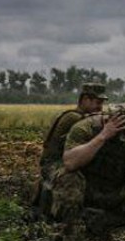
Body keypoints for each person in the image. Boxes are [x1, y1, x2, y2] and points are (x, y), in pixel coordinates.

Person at [56, 103, 125, 241]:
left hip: (114, 187)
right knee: (68, 178)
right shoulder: (85, 128)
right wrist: (102, 137)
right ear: (107, 121)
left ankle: (104, 219)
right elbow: (70, 163)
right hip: (85, 187)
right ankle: (74, 227)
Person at [31, 83, 109, 219]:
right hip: (54, 163)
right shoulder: (75, 118)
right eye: (97, 102)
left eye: (102, 103)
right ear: (85, 99)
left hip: (65, 159)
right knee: (73, 178)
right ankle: (68, 217)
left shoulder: (79, 117)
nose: (100, 107)